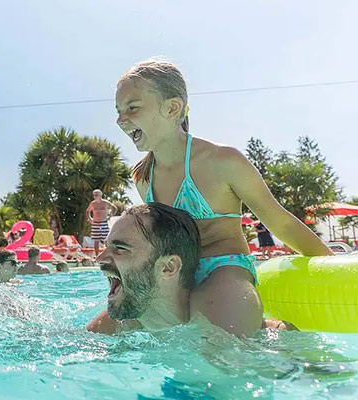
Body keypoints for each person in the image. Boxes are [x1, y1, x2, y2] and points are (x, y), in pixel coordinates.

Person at [107, 58, 331, 336]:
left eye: (132, 108)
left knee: (218, 349)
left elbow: (280, 223)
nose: (120, 119)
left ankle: (278, 333)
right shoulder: (144, 176)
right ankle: (265, 328)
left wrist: (331, 267)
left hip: (223, 268)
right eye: (118, 110)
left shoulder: (222, 161)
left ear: (172, 108)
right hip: (173, 278)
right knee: (99, 336)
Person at [86, 203, 200, 333]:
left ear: (168, 267)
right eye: (106, 246)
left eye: (120, 248)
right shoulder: (112, 328)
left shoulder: (212, 337)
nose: (99, 259)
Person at [86, 189, 118, 256]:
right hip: (95, 222)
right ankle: (97, 255)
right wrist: (90, 218)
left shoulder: (105, 202)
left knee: (106, 239)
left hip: (103, 222)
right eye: (94, 195)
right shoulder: (93, 203)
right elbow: (87, 211)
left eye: (96, 195)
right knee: (96, 240)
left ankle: (107, 254)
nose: (95, 196)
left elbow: (114, 208)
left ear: (100, 195)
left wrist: (110, 216)